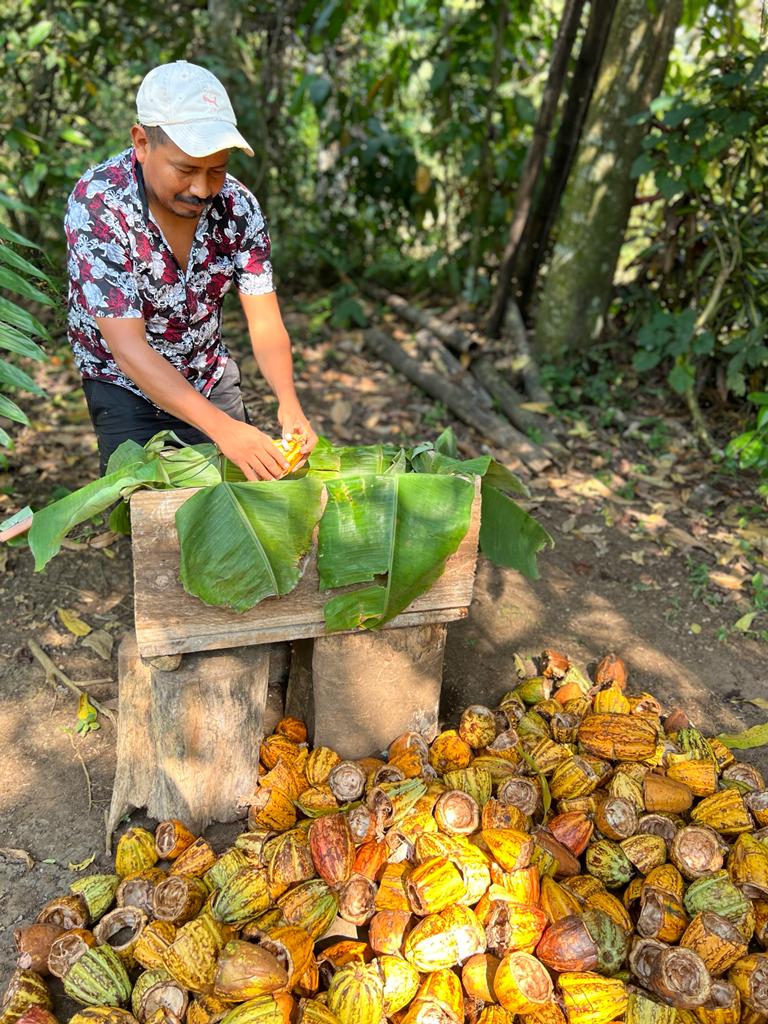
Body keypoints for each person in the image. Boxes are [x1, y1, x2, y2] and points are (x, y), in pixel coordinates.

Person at [64, 59, 317, 480]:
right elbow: (129, 350)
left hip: (208, 371)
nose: (202, 189)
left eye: (216, 170)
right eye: (185, 170)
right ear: (142, 143)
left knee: (242, 506)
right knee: (148, 520)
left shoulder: (238, 207)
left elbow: (266, 321)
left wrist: (288, 402)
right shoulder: (99, 205)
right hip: (125, 385)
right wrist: (225, 431)